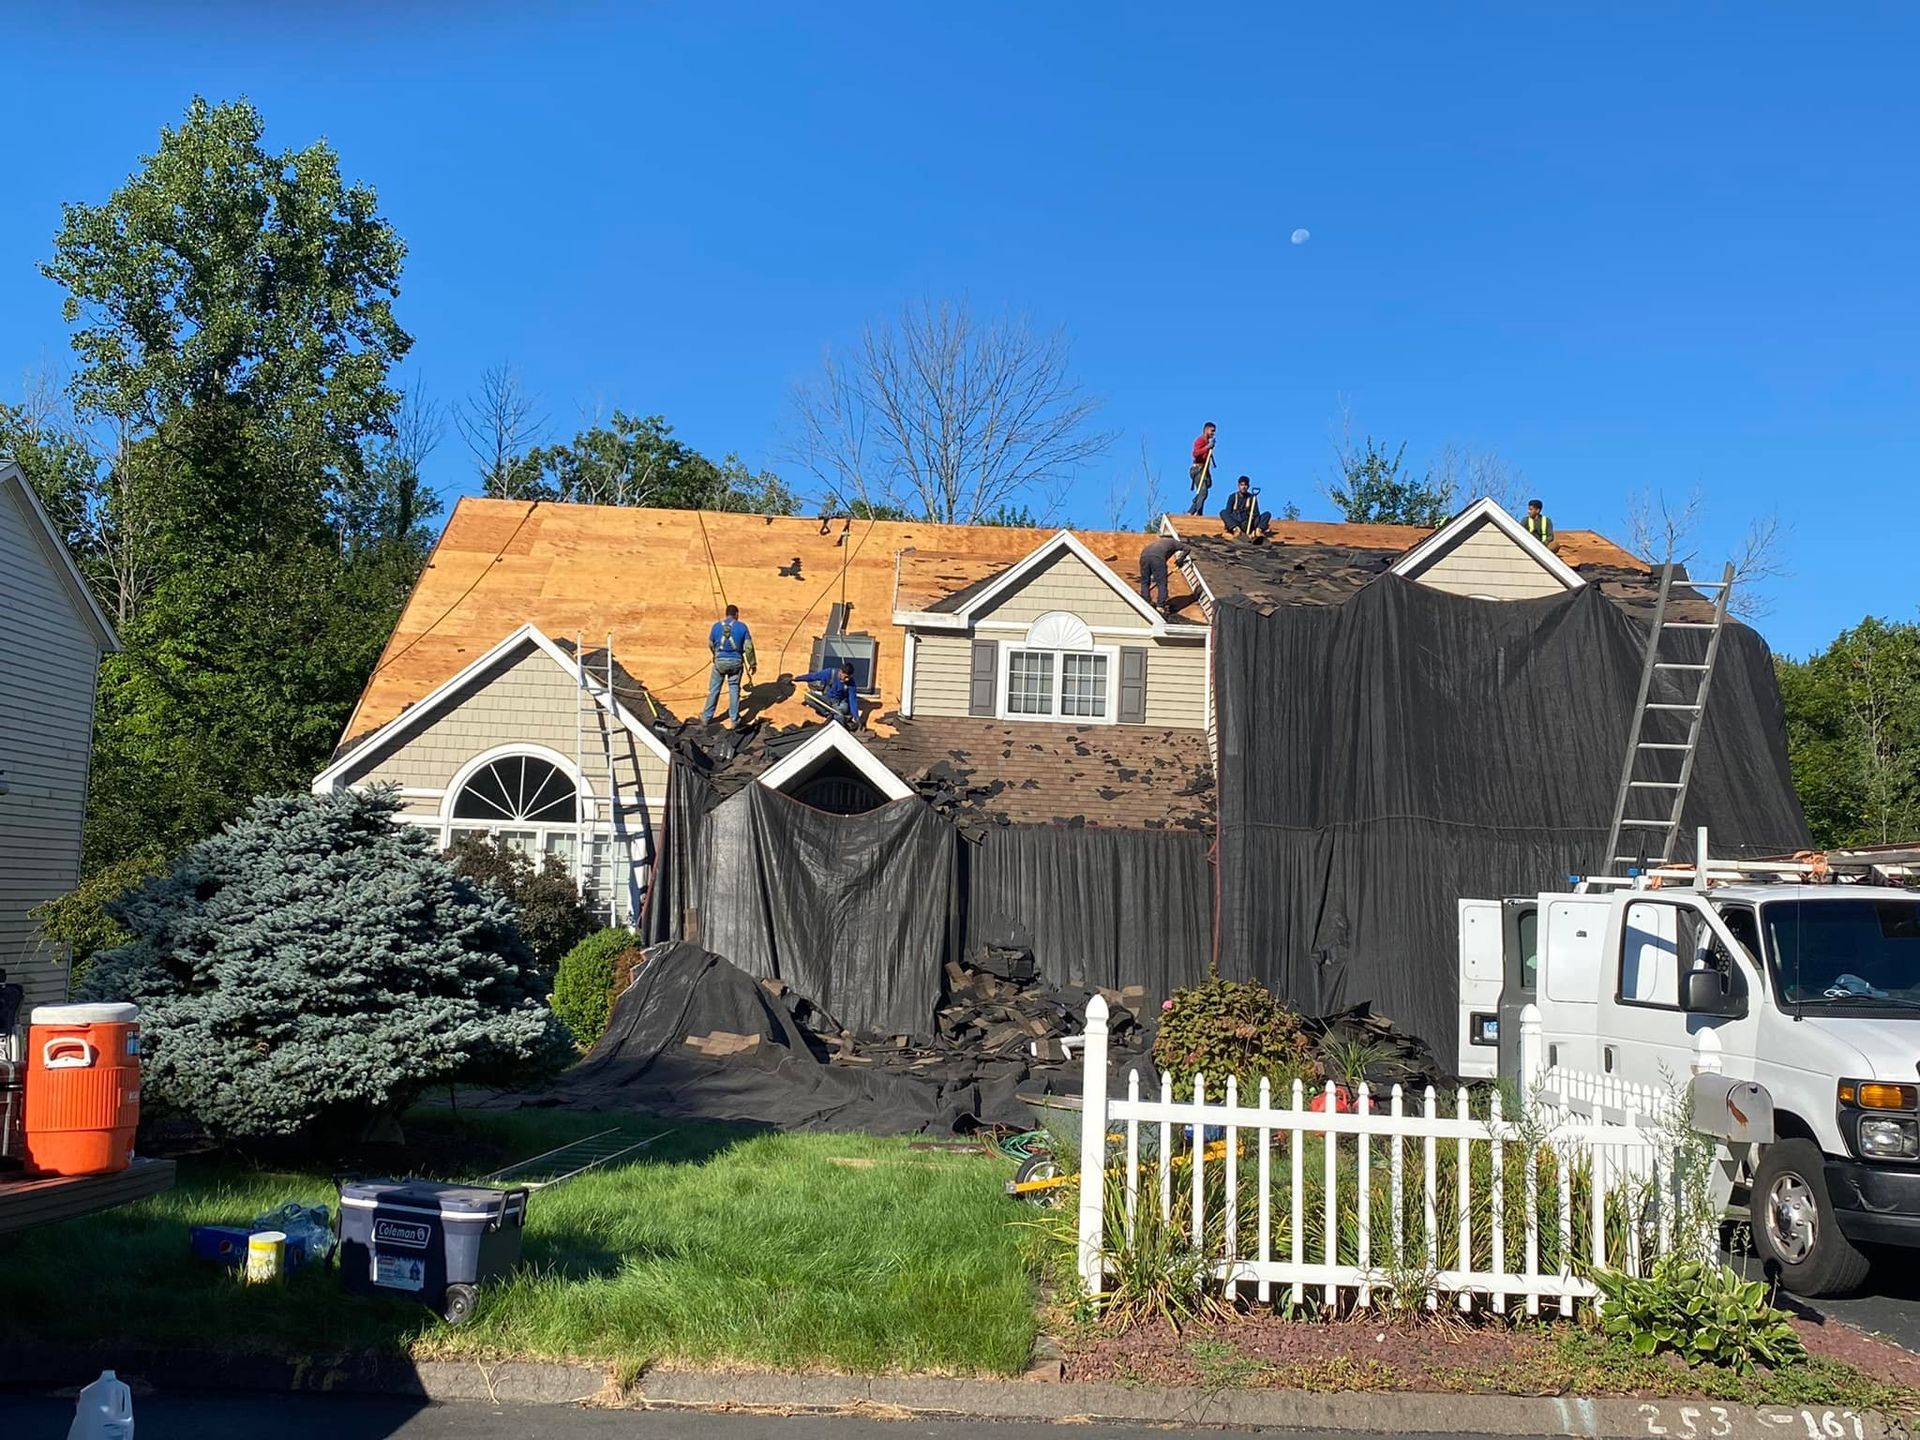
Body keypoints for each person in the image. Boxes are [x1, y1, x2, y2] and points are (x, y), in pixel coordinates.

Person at [700, 604, 756, 727]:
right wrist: (752, 663)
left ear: (726, 614)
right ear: (736, 614)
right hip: (736, 662)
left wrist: (716, 655)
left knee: (714, 689)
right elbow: (748, 647)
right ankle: (734, 720)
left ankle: (706, 717)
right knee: (734, 689)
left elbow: (710, 643)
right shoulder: (742, 627)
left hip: (720, 662)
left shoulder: (716, 626)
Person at [796, 659, 862, 728]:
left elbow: (853, 700)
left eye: (849, 677)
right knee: (808, 697)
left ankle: (836, 717)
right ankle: (829, 714)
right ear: (841, 672)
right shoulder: (830, 673)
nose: (847, 680)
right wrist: (797, 679)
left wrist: (856, 718)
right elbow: (813, 676)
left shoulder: (851, 683)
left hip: (839, 704)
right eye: (845, 677)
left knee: (840, 715)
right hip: (827, 700)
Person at [1137, 535, 1190, 613]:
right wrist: (1181, 559)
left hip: (1144, 557)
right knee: (1161, 583)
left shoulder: (1158, 543)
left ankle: (1146, 601)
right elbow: (1188, 548)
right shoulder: (1174, 542)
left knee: (1145, 581)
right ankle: (1160, 606)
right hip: (1157, 558)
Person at [1220, 475, 1270, 539]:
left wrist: (1252, 517)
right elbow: (1228, 512)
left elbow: (1257, 513)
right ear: (1238, 486)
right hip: (1237, 522)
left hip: (1248, 522)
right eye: (1241, 485)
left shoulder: (1252, 498)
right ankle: (1236, 530)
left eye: (1245, 485)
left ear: (1248, 486)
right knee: (1223, 512)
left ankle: (1258, 531)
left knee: (1267, 514)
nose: (1243, 487)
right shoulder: (1233, 497)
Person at [1188, 422, 1217, 515]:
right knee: (1203, 492)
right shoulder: (1200, 440)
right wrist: (1207, 447)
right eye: (1212, 431)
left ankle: (1191, 511)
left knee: (1205, 489)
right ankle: (1199, 512)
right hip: (1197, 469)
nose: (1213, 433)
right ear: (1206, 430)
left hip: (1204, 469)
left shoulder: (1207, 442)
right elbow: (1195, 453)